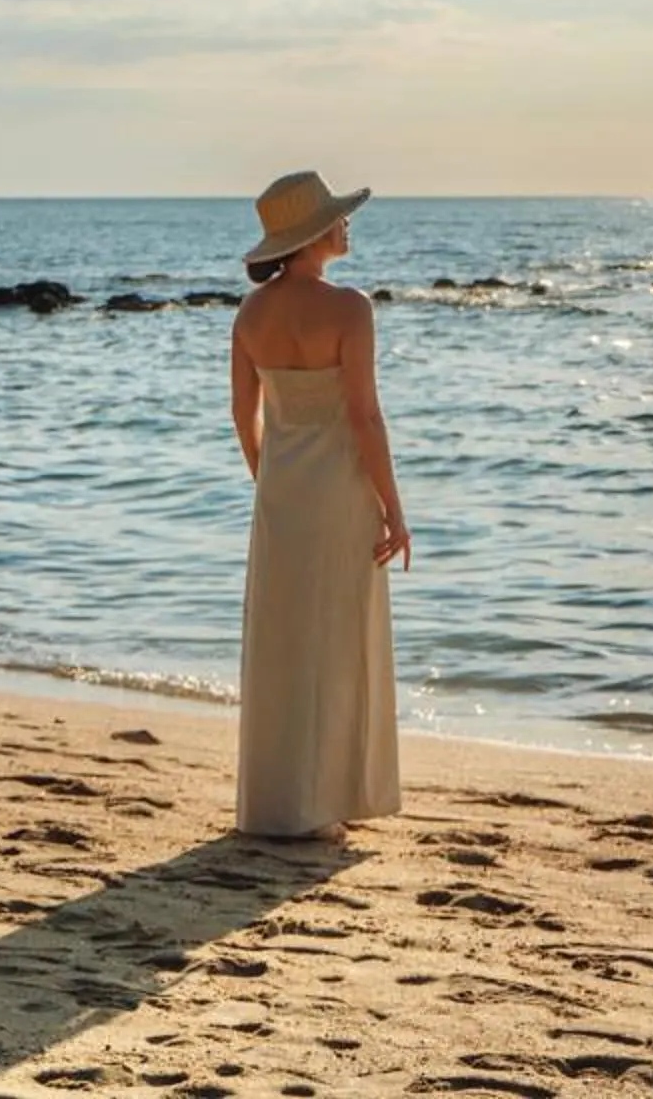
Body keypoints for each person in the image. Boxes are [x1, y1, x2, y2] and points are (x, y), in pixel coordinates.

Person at [228, 169, 407, 840]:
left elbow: (242, 414)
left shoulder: (251, 314)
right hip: (339, 493)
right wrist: (394, 508)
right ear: (314, 235)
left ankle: (277, 803)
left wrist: (268, 479)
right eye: (337, 216)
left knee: (283, 641)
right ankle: (325, 801)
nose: (347, 223)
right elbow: (364, 417)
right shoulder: (350, 309)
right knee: (336, 639)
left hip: (282, 493)